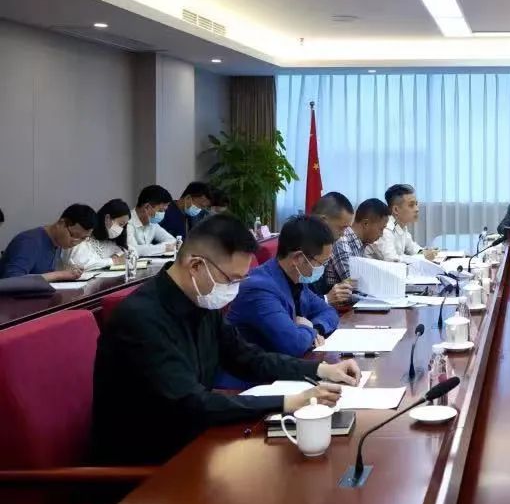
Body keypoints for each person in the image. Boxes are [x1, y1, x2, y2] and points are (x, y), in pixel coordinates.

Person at [91, 214, 359, 465]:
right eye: (231, 280)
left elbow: (247, 357)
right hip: (150, 466)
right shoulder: (141, 319)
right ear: (196, 266)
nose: (234, 290)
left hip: (196, 443)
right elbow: (192, 403)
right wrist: (289, 402)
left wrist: (320, 369)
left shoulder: (200, 302)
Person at [226, 215, 340, 357]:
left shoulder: (297, 280)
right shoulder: (258, 288)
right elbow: (294, 344)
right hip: (254, 369)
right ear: (298, 258)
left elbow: (329, 312)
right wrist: (307, 329)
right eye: (322, 263)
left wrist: (315, 327)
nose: (323, 268)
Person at [0, 204, 95, 280]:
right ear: (61, 223)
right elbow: (12, 279)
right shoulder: (29, 241)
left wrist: (69, 272)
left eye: (83, 238)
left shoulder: (58, 243)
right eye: (73, 235)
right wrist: (60, 275)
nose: (75, 242)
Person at [326, 198, 391, 301]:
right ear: (366, 224)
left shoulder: (362, 243)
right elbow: (355, 284)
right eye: (381, 229)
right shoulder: (342, 240)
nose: (382, 234)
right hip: (337, 305)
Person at [371, 184, 436, 263]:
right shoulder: (386, 229)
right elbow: (392, 259)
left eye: (416, 204)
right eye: (411, 205)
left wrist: (425, 252)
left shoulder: (401, 226)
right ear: (396, 210)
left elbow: (412, 248)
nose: (417, 209)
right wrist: (423, 257)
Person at [65, 199, 131, 271]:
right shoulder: (83, 236)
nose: (121, 229)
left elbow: (126, 252)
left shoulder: (109, 242)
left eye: (123, 226)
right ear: (107, 218)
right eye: (120, 224)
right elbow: (81, 264)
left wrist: (117, 256)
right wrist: (113, 261)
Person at [127, 185, 178, 257]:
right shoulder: (126, 222)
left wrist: (151, 249)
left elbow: (173, 241)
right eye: (160, 210)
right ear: (147, 207)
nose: (163, 214)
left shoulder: (152, 222)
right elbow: (133, 250)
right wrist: (164, 248)